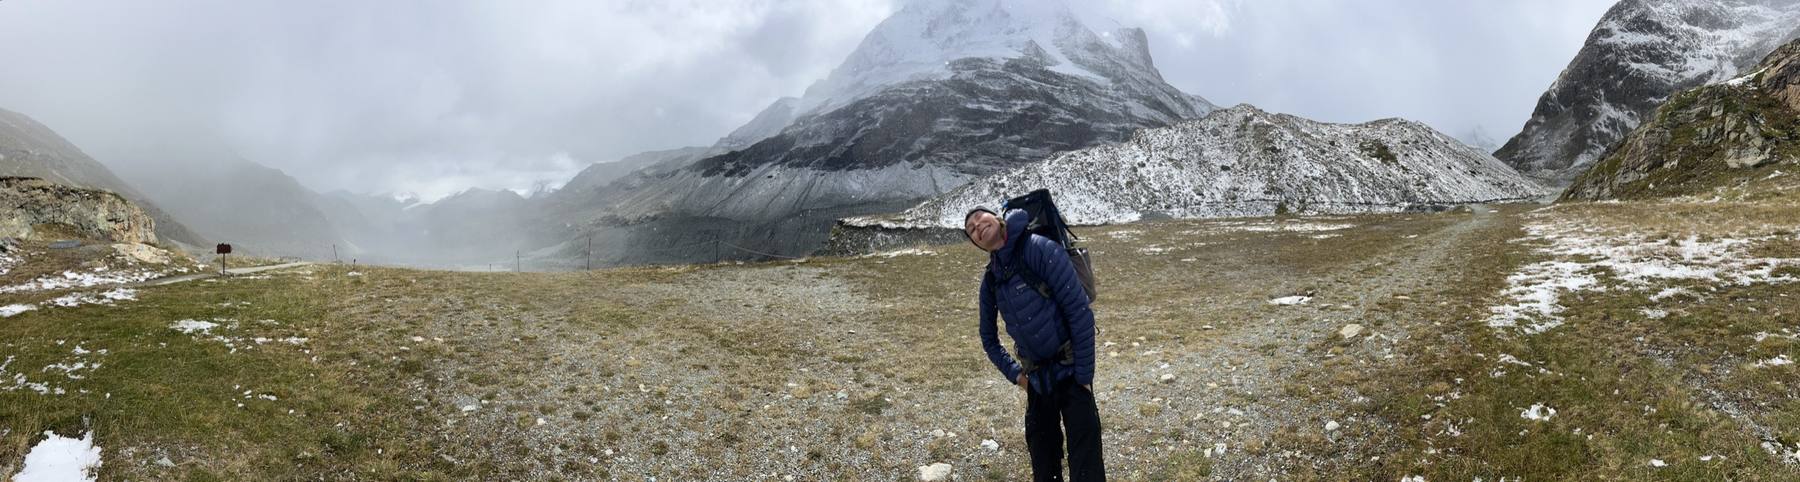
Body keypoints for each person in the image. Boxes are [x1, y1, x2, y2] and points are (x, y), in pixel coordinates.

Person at [964, 207, 1105, 481]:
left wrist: (1085, 378)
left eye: (981, 218)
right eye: (970, 229)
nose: (976, 226)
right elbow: (988, 339)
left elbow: (1080, 312)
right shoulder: (991, 279)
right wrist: (1017, 376)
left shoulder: (1040, 249)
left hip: (1072, 371)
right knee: (1044, 464)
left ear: (999, 219)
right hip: (1037, 380)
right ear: (976, 243)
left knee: (1085, 462)